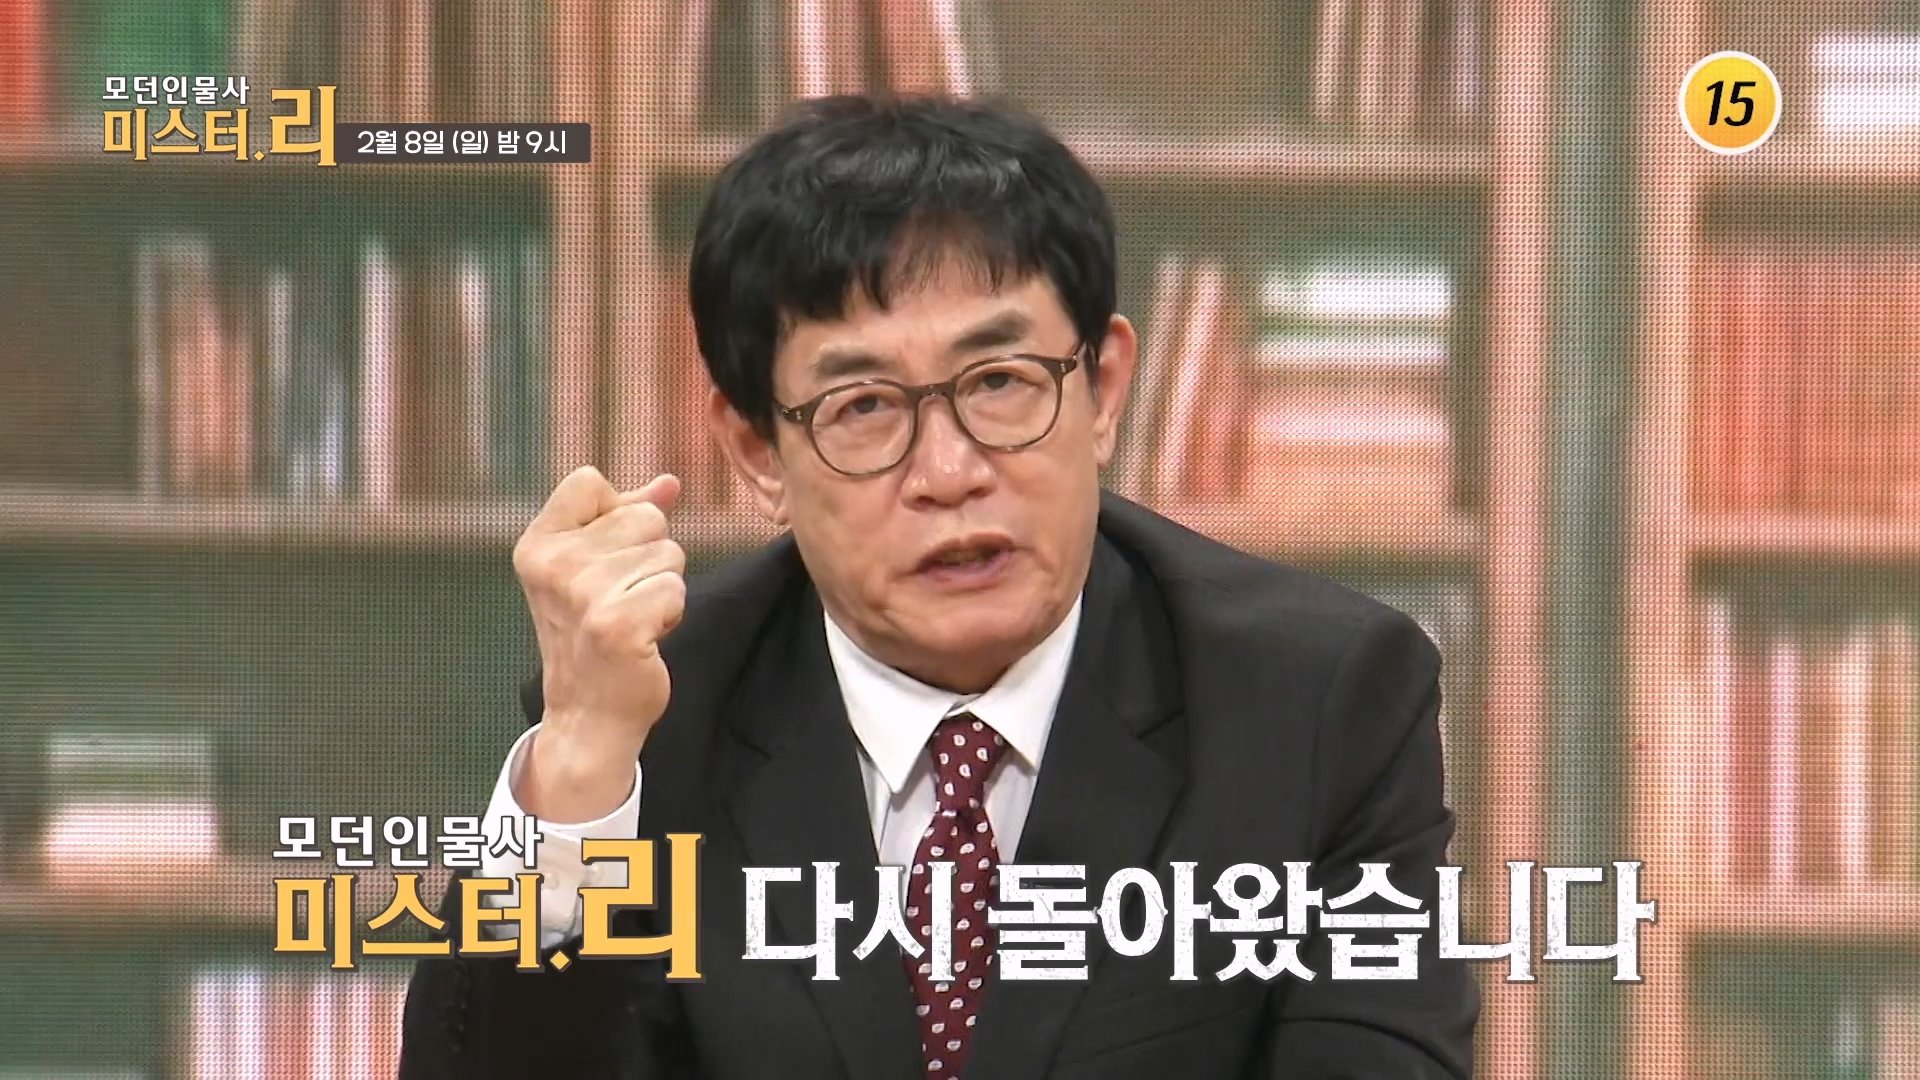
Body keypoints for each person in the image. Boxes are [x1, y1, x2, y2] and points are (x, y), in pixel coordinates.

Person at [400, 94, 1477, 1079]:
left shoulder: (1319, 701)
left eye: (1000, 382)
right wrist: (578, 771)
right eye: (864, 407)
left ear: (1104, 390)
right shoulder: (653, 720)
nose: (950, 472)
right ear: (759, 452)